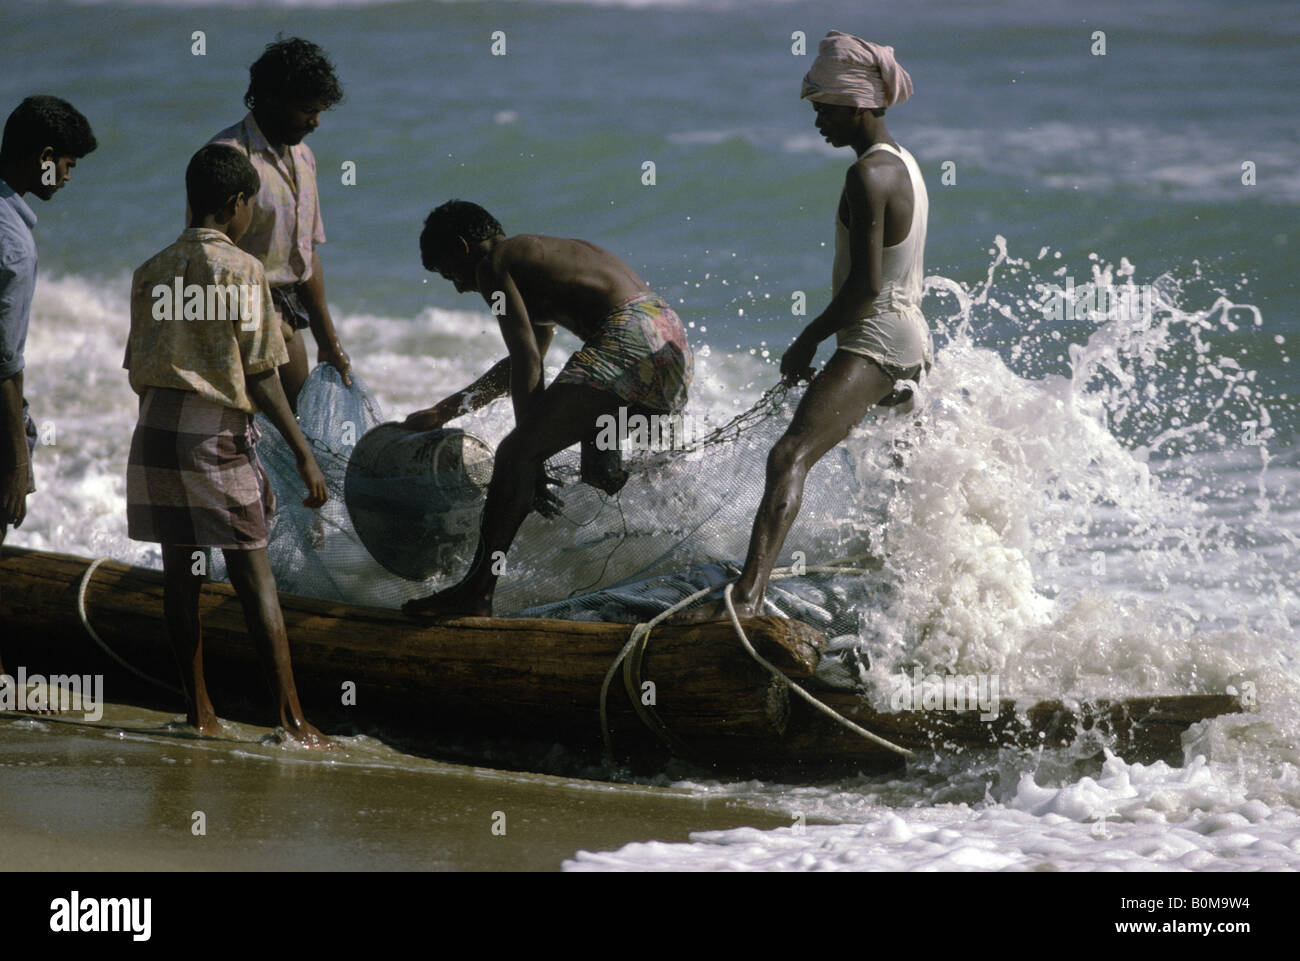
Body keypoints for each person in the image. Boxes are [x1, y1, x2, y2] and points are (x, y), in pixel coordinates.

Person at [684, 31, 931, 622]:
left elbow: (866, 288)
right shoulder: (907, 165)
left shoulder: (868, 176)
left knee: (788, 455)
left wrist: (807, 338)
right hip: (913, 341)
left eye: (825, 109)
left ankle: (746, 598)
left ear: (860, 104)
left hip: (875, 341)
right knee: (892, 491)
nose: (818, 121)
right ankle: (893, 615)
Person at [125, 143, 330, 745]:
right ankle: (292, 722)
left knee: (181, 577)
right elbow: (263, 373)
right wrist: (302, 451)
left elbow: (138, 367)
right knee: (254, 579)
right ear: (237, 203)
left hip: (154, 435)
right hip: (214, 437)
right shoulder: (243, 271)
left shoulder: (150, 270)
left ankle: (200, 715)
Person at [401, 200, 692, 618]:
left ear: (464, 247)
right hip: (668, 342)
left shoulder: (493, 266)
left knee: (514, 455)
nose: (459, 287)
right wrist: (446, 411)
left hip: (625, 341)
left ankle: (476, 593)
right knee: (598, 472)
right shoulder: (536, 261)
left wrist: (528, 455)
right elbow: (524, 359)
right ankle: (669, 541)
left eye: (450, 273)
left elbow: (527, 363)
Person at [0, 95, 96, 679]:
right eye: (66, 165)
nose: (66, 176)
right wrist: (17, 462)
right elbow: (4, 365)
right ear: (43, 158)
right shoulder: (14, 245)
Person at [205, 36, 351, 410]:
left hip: (286, 318)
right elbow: (207, 259)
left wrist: (328, 343)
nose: (316, 122)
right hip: (237, 324)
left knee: (300, 428)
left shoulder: (304, 157)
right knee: (252, 439)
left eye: (319, 111)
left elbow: (306, 259)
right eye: (306, 110)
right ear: (270, 98)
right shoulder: (227, 158)